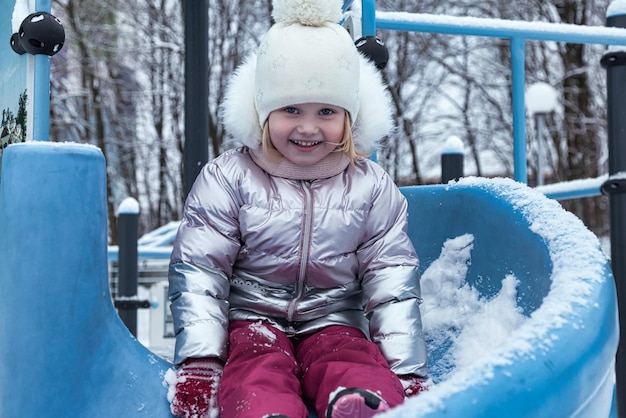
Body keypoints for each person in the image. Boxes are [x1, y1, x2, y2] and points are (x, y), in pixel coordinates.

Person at [166, 0, 428, 417]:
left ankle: (362, 405)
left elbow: (390, 278)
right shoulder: (229, 177)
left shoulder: (370, 185)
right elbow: (201, 270)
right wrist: (201, 361)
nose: (308, 127)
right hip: (251, 318)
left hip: (335, 319)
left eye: (326, 111)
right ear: (263, 113)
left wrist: (408, 371)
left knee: (353, 360)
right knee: (254, 368)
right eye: (291, 109)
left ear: (350, 117)